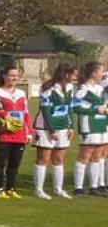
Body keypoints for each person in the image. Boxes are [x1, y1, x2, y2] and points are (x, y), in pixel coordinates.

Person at [33, 62, 77, 199]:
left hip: (63, 127)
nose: (77, 76)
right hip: (45, 127)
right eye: (74, 73)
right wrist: (51, 130)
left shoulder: (70, 87)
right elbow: (45, 111)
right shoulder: (48, 88)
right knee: (43, 159)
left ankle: (58, 189)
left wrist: (71, 127)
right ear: (66, 74)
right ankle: (39, 190)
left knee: (59, 159)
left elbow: (70, 108)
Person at [0, 65, 32, 199]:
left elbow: (26, 114)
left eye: (16, 76)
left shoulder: (21, 93)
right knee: (1, 163)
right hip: (3, 134)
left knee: (14, 164)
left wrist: (29, 132)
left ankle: (11, 188)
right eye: (12, 75)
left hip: (19, 134)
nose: (14, 78)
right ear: (4, 76)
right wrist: (2, 114)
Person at [72, 61, 108, 197]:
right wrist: (95, 109)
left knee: (97, 156)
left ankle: (94, 187)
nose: (102, 74)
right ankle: (78, 188)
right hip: (88, 125)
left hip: (101, 124)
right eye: (100, 71)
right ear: (93, 73)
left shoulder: (99, 89)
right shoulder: (82, 89)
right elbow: (75, 107)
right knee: (85, 156)